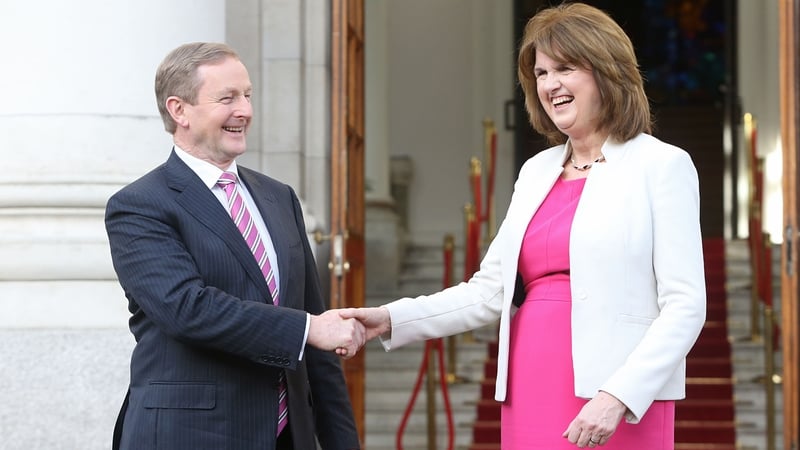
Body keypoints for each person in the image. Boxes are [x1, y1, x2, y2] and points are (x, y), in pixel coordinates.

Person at [342, 3, 706, 449]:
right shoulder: (537, 170)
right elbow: (488, 291)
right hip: (532, 375)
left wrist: (618, 395)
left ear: (607, 73)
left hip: (622, 391)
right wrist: (388, 318)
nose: (550, 84)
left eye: (565, 68)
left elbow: (686, 305)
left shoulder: (662, 165)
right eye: (540, 73)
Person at [105, 42, 362, 450]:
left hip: (287, 436)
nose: (244, 110)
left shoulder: (280, 198)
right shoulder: (140, 205)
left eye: (248, 95)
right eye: (227, 98)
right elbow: (188, 309)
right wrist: (309, 329)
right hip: (190, 436)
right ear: (179, 110)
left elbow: (317, 344)